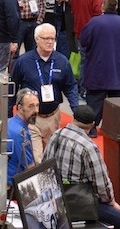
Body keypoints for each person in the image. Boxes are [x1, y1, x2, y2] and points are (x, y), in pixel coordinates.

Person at [9, 23, 80, 163]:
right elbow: (13, 87)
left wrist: (76, 110)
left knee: (52, 157)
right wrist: (8, 116)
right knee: (37, 159)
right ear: (37, 39)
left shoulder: (62, 61)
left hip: (53, 116)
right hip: (32, 118)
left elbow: (70, 86)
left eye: (53, 39)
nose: (50, 42)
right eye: (46, 38)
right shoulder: (23, 61)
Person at [80, 0, 120, 135]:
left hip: (97, 70)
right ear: (116, 7)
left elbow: (83, 41)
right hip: (118, 70)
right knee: (115, 105)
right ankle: (114, 130)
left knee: (94, 103)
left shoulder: (94, 22)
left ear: (102, 6)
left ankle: (91, 129)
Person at [2, 89, 38, 189]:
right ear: (20, 108)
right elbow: (29, 168)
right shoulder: (19, 133)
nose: (36, 110)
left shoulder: (12, 122)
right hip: (12, 187)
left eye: (37, 105)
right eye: (31, 106)